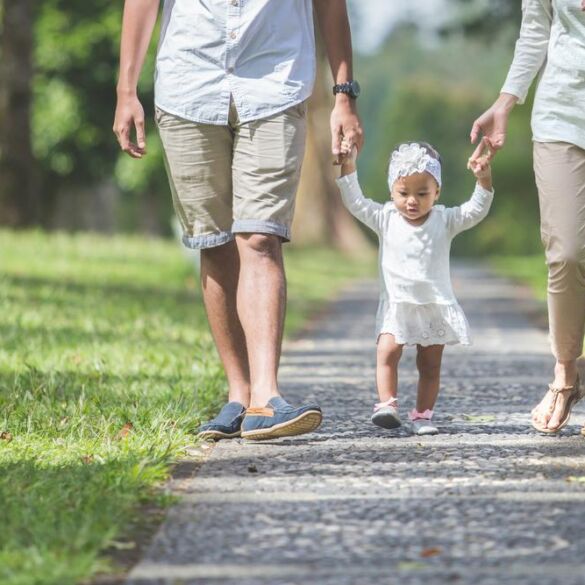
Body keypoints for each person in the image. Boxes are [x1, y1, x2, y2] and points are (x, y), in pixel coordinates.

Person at [113, 0, 364, 441]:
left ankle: (267, 396)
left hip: (275, 83)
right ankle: (239, 394)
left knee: (260, 237)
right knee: (213, 241)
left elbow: (330, 5)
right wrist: (126, 90)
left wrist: (344, 97)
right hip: (189, 83)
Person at [470, 0, 585, 434]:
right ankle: (565, 373)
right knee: (567, 252)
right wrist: (506, 100)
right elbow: (536, 29)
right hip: (562, 117)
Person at [336, 140, 494, 435]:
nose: (412, 201)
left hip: (434, 304)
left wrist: (483, 180)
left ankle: (423, 416)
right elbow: (355, 202)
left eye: (422, 193)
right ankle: (387, 405)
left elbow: (474, 211)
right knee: (387, 351)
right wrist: (349, 165)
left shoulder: (444, 219)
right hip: (397, 303)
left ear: (437, 193)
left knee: (430, 365)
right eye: (403, 193)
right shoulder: (385, 218)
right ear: (391, 191)